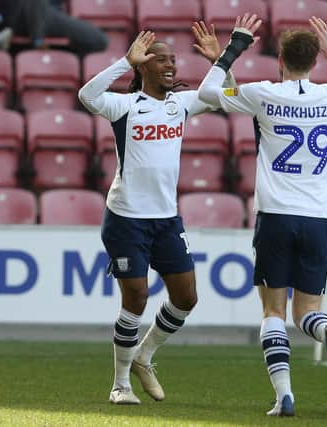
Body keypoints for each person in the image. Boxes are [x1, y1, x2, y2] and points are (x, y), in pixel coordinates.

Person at [198, 14, 327, 417]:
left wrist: (229, 52)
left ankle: (284, 395)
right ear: (315, 61)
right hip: (318, 218)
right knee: (309, 312)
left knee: (273, 311)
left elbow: (209, 91)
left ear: (280, 60)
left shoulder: (265, 94)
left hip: (276, 215)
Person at [78, 25, 236, 405]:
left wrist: (221, 61)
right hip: (126, 218)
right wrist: (123, 62)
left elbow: (230, 95)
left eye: (173, 60)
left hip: (166, 218)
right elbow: (87, 94)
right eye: (161, 59)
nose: (170, 65)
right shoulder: (124, 105)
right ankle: (120, 384)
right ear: (143, 65)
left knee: (186, 297)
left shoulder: (180, 104)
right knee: (136, 297)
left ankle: (144, 356)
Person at [0, 0, 108, 55]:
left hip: (50, 14)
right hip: (21, 16)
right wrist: (37, 39)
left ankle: (60, 53)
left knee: (99, 40)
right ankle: (37, 42)